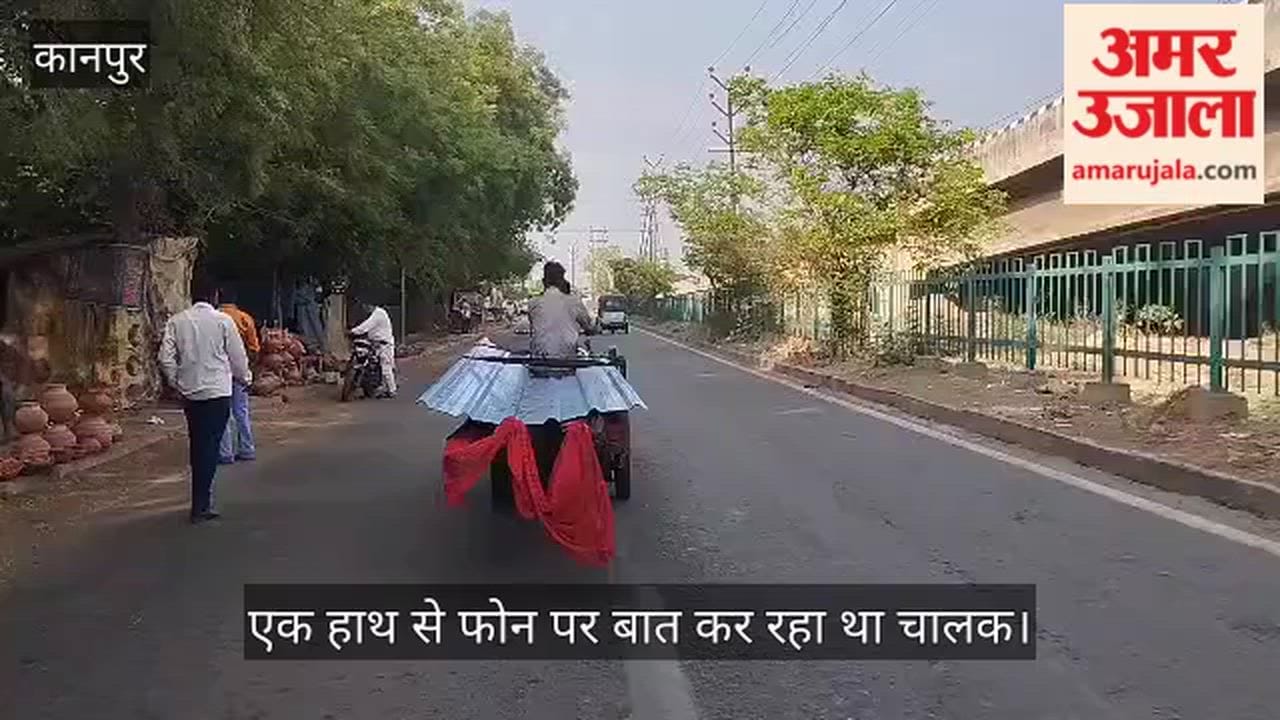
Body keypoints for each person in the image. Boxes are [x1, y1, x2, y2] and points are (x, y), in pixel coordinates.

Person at [159, 275, 252, 524]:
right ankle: (202, 502)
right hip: (218, 392)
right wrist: (245, 379)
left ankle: (200, 499)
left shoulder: (176, 322)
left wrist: (176, 382)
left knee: (198, 443)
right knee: (210, 445)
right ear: (215, 297)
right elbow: (238, 357)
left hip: (191, 394)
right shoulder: (223, 321)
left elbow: (165, 358)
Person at [217, 289, 259, 465]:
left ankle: (225, 453)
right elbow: (254, 348)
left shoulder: (215, 318)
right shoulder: (245, 318)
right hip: (240, 369)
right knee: (241, 411)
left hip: (218, 370)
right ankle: (247, 448)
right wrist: (249, 370)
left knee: (223, 413)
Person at [528, 261, 595, 358]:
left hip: (539, 363)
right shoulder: (574, 301)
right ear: (562, 281)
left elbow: (533, 323)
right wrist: (591, 329)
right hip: (567, 363)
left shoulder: (533, 303)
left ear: (544, 281)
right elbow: (588, 326)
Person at [351, 300, 396, 398]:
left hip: (384, 344)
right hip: (374, 343)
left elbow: (365, 327)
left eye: (365, 306)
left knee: (386, 368)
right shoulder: (374, 314)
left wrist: (352, 331)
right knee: (369, 363)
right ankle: (369, 386)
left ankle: (392, 390)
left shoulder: (378, 314)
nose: (365, 308)